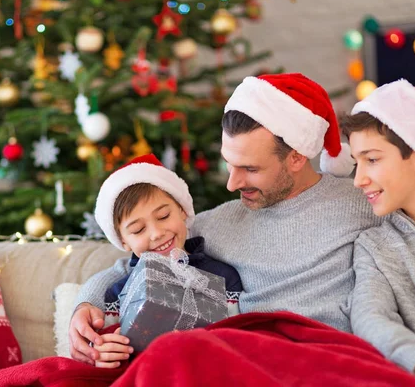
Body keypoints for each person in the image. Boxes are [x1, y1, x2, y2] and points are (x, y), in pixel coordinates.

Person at [68, 73, 381, 365]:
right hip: (249, 358)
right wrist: (85, 307)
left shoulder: (361, 203)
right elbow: (131, 265)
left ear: (297, 157)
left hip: (329, 357)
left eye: (250, 169)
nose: (232, 184)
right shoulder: (217, 223)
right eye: (229, 164)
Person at [93, 153, 243, 368]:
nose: (156, 233)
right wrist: (105, 354)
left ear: (182, 210)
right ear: (123, 241)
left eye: (163, 216)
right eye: (138, 229)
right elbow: (106, 351)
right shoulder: (119, 294)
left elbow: (238, 339)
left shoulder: (223, 277)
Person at [340, 79, 415, 383]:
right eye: (357, 163)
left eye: (372, 159)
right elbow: (370, 316)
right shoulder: (373, 245)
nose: (359, 179)